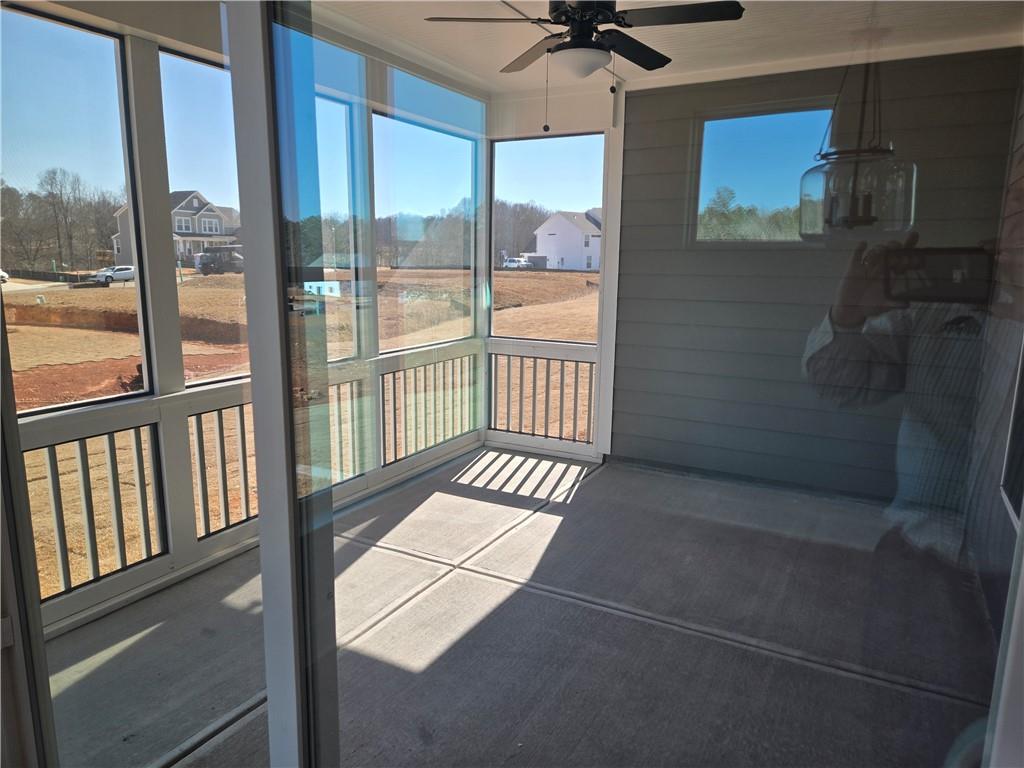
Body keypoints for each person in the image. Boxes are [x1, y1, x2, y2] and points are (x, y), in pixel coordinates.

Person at [803, 233, 990, 562]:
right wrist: (848, 317)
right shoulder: (935, 305)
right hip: (918, 538)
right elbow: (838, 386)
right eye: (1017, 201)